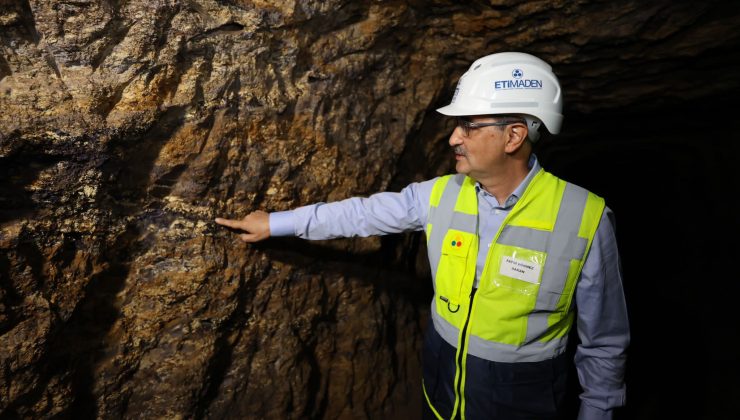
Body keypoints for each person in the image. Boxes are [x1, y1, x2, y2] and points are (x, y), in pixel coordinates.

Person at [215, 52, 629, 420]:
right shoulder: (439, 195)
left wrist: (597, 410)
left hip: (524, 400)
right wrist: (275, 223)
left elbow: (605, 340)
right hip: (444, 386)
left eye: (468, 127)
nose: (454, 139)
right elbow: (362, 214)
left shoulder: (584, 217)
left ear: (514, 135)